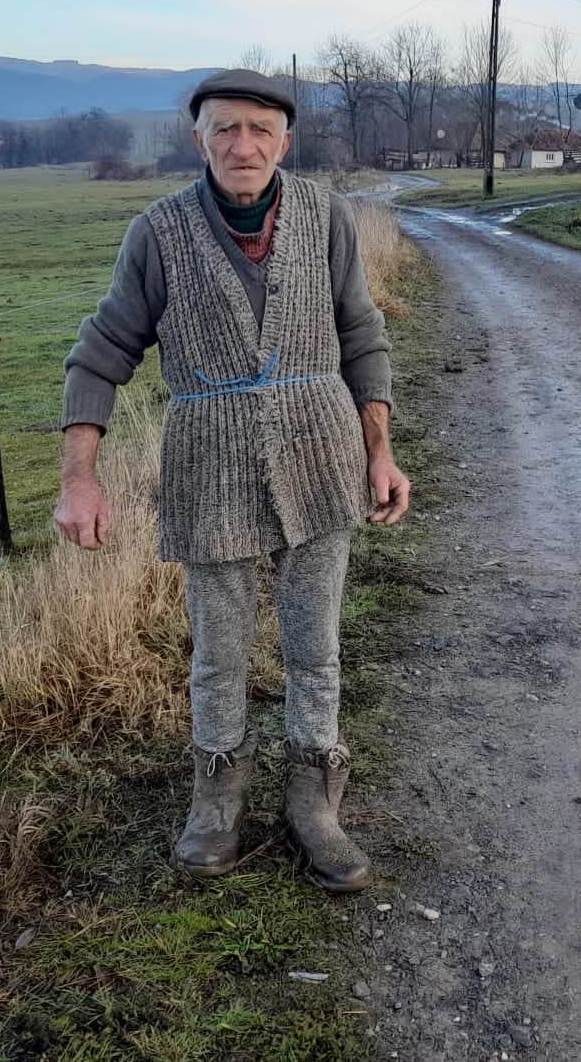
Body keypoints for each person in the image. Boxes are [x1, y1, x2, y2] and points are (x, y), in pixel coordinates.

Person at [53, 67, 410, 893]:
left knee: (315, 645)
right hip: (207, 464)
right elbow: (101, 352)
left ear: (285, 141)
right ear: (199, 139)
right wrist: (80, 477)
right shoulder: (158, 232)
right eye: (225, 128)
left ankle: (314, 794)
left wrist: (381, 452)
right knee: (218, 651)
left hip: (322, 459)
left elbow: (361, 333)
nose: (242, 145)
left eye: (259, 129)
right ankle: (217, 790)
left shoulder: (325, 216)